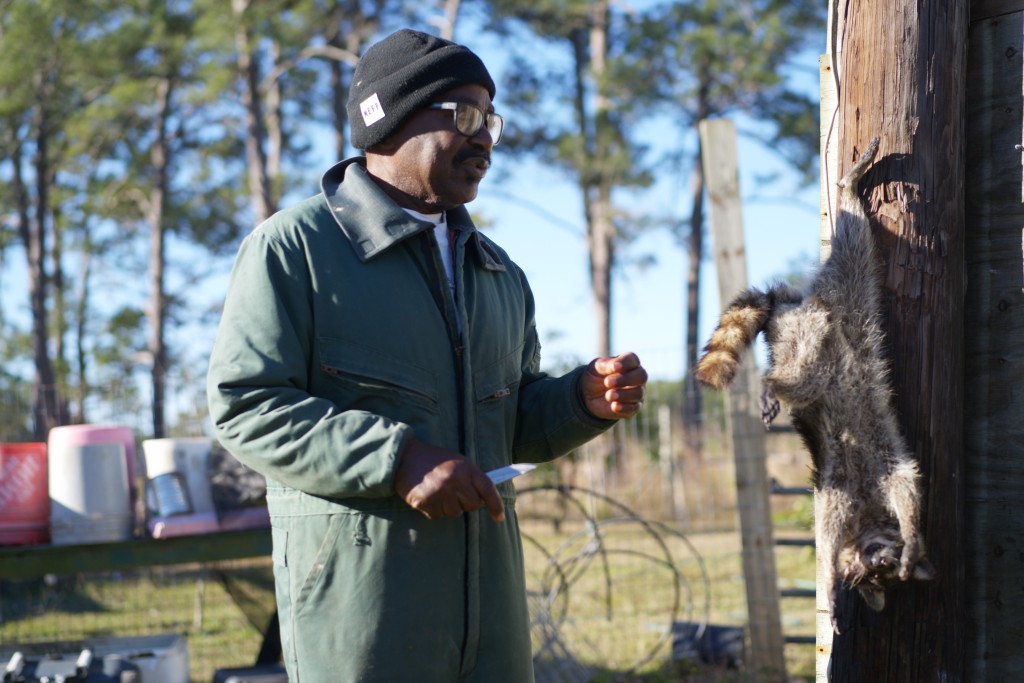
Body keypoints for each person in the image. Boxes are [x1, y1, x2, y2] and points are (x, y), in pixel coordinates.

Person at [206, 28, 648, 683]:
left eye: (490, 120)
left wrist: (579, 401)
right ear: (389, 121)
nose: (484, 139)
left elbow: (513, 424)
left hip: (490, 620)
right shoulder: (294, 250)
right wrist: (396, 459)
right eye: (464, 116)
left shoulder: (499, 272)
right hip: (366, 619)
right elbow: (246, 404)